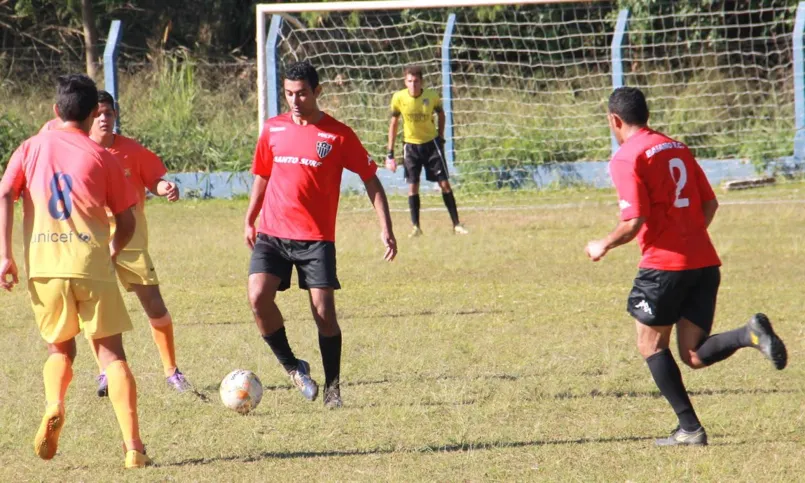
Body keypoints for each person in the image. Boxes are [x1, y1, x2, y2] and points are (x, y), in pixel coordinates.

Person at [585, 86, 787, 446]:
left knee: (650, 345)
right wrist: (687, 236)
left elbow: (633, 221)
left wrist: (602, 243)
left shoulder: (627, 157)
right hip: (703, 262)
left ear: (614, 120)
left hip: (664, 267)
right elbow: (710, 204)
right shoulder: (676, 146)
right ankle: (749, 334)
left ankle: (690, 430)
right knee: (693, 354)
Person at [0, 74, 152, 468]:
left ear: (55, 111)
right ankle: (133, 448)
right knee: (112, 356)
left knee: (59, 348)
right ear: (91, 116)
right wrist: (113, 251)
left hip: (44, 268)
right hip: (90, 266)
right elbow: (127, 217)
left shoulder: (30, 147)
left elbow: (4, 192)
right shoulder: (102, 156)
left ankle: (55, 404)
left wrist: (5, 255)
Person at [245, 60, 397, 409]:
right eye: (288, 94)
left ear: (317, 91)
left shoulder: (338, 135)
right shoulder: (273, 129)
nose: (294, 101)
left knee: (324, 313)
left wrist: (385, 227)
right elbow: (263, 175)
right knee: (257, 298)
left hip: (315, 238)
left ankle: (332, 388)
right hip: (273, 232)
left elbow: (370, 179)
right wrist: (249, 218)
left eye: (301, 94)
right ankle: (292, 366)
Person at [88, 90, 190, 396]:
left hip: (130, 240)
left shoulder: (131, 150)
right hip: (92, 242)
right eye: (98, 113)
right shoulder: (80, 150)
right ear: (88, 116)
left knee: (154, 304)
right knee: (97, 310)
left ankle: (172, 371)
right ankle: (105, 371)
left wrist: (165, 187)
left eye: (109, 112)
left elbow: (154, 179)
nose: (104, 118)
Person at [386, 65, 468, 237]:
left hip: (431, 145)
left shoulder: (431, 96)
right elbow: (393, 124)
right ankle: (416, 227)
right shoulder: (399, 98)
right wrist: (390, 153)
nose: (413, 85)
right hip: (411, 146)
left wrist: (440, 136)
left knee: (444, 184)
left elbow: (441, 114)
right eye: (410, 81)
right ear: (405, 82)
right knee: (413, 186)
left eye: (416, 81)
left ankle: (456, 224)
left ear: (421, 81)